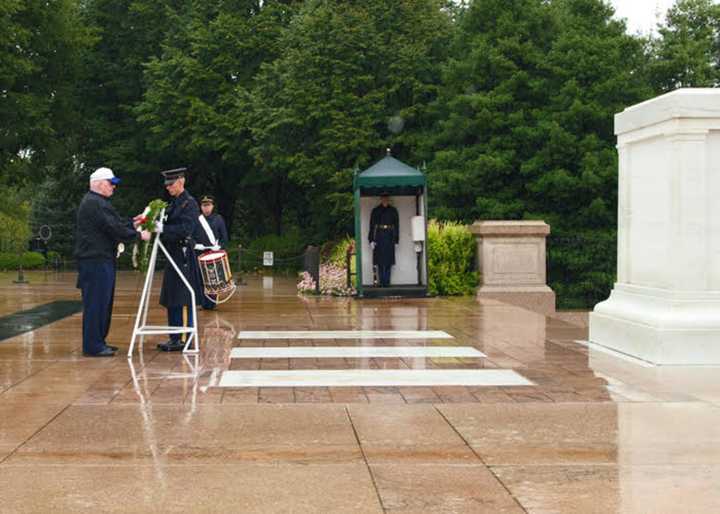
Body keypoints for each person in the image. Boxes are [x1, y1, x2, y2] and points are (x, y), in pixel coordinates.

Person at [75, 167, 151, 357]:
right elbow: (111, 227)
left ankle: (99, 341)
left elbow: (114, 223)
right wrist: (139, 234)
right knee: (96, 303)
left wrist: (132, 224)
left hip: (100, 259)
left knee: (103, 302)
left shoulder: (98, 202)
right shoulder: (95, 203)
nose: (113, 187)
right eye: (111, 183)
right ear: (99, 184)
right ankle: (93, 345)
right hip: (95, 260)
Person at [153, 168, 203, 352]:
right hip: (172, 253)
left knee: (186, 297)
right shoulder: (172, 203)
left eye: (171, 184)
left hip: (183, 255)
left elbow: (186, 229)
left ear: (181, 182)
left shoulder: (189, 204)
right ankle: (174, 338)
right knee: (172, 296)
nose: (168, 188)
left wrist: (164, 229)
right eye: (166, 185)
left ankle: (189, 337)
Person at [193, 194, 229, 309]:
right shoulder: (196, 220)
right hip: (200, 253)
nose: (206, 208)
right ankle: (202, 302)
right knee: (200, 279)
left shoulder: (218, 219)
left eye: (208, 205)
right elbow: (189, 236)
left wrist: (220, 247)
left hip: (214, 253)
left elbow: (224, 237)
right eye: (204, 205)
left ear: (212, 206)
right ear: (201, 207)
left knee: (213, 279)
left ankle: (212, 303)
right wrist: (195, 245)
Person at [369, 192, 399, 287]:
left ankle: (387, 282)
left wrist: (396, 239)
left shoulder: (393, 210)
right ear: (381, 199)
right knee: (380, 260)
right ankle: (382, 281)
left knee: (389, 260)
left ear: (388, 199)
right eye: (383, 198)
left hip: (390, 235)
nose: (385, 200)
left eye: (386, 198)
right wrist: (371, 240)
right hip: (379, 236)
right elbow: (372, 226)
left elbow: (397, 226)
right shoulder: (376, 210)